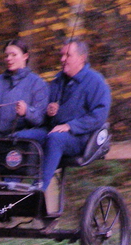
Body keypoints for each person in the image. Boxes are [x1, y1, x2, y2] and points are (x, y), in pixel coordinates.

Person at [17, 38, 111, 190]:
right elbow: (44, 116)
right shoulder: (57, 82)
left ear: (82, 58)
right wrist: (48, 112)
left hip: (81, 137)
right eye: (61, 55)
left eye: (68, 55)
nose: (62, 59)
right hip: (52, 130)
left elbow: (99, 116)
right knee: (20, 137)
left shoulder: (95, 82)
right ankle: (7, 185)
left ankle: (37, 189)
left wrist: (70, 126)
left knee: (56, 139)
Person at [0, 38, 49, 142]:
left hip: (24, 137)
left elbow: (42, 118)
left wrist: (27, 112)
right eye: (6, 55)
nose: (9, 58)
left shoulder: (37, 83)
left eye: (14, 55)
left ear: (25, 56)